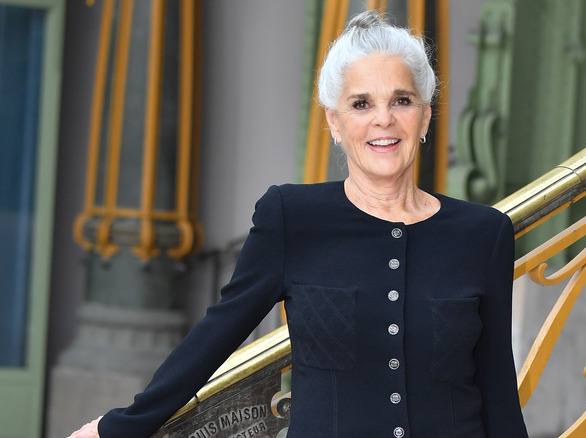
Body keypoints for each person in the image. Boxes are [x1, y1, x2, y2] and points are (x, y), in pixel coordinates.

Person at [69, 10, 528, 437]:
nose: (383, 119)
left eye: (401, 100)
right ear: (335, 122)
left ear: (425, 114)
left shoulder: (483, 234)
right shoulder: (292, 217)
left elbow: (496, 385)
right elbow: (216, 335)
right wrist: (120, 427)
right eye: (361, 104)